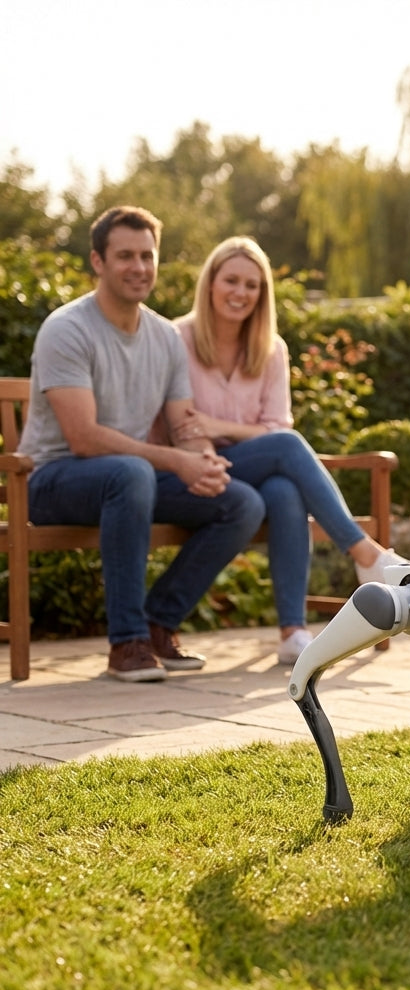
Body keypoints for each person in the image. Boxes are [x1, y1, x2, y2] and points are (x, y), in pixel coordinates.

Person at [19, 206, 267, 683]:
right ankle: (126, 643)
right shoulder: (67, 329)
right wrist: (177, 460)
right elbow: (84, 438)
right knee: (130, 473)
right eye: (125, 256)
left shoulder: (164, 337)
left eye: (147, 256)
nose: (139, 267)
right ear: (98, 261)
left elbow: (182, 424)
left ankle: (157, 625)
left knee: (240, 502)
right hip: (53, 480)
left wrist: (204, 458)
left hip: (128, 480)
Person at [170, 236, 410, 665]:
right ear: (210, 283)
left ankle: (292, 632)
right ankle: (366, 555)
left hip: (254, 473)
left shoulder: (271, 348)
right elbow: (186, 425)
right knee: (283, 450)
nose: (240, 293)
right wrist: (216, 438)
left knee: (284, 489)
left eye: (252, 285)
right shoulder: (177, 338)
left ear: (263, 294)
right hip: (192, 469)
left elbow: (277, 425)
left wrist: (218, 426)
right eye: (231, 281)